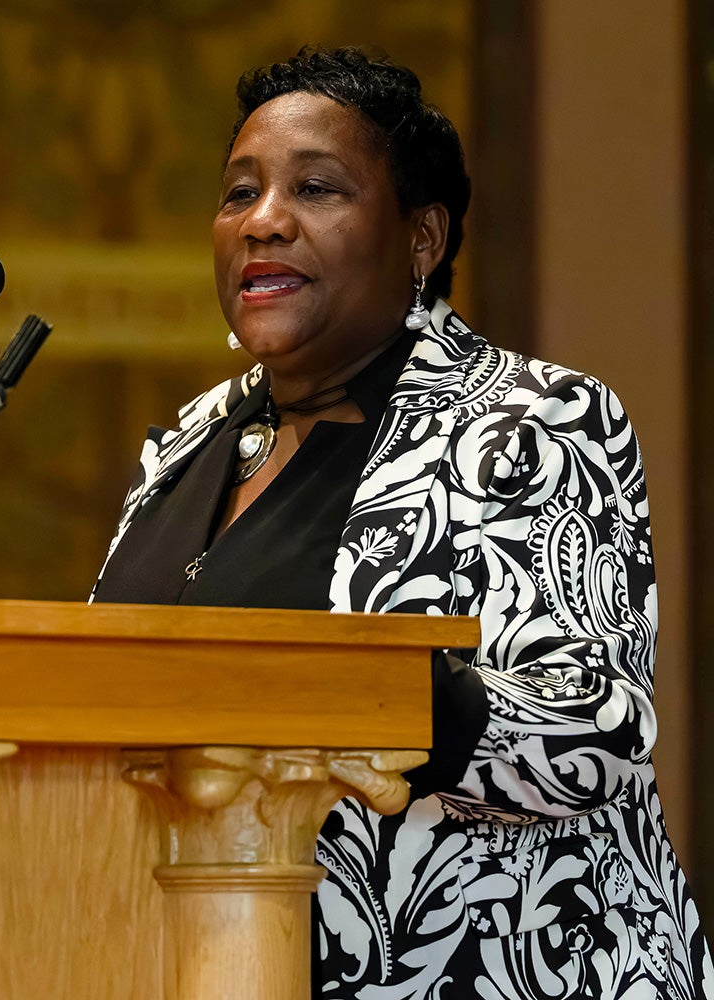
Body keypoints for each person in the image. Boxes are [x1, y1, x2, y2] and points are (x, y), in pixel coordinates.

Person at [91, 46, 712, 1000]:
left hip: (495, 972)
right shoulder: (185, 445)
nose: (264, 222)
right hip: (203, 961)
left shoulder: (526, 423)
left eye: (317, 189)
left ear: (420, 240)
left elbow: (592, 734)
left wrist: (350, 692)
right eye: (239, 193)